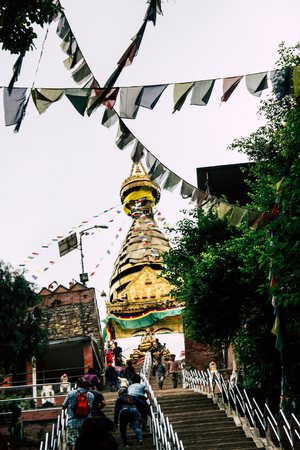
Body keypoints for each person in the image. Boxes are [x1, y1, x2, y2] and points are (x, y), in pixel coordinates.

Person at [62, 377, 94, 450]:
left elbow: (64, 406)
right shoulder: (91, 395)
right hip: (87, 423)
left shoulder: (71, 393)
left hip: (73, 423)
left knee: (74, 444)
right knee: (86, 443)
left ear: (77, 384)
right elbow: (90, 408)